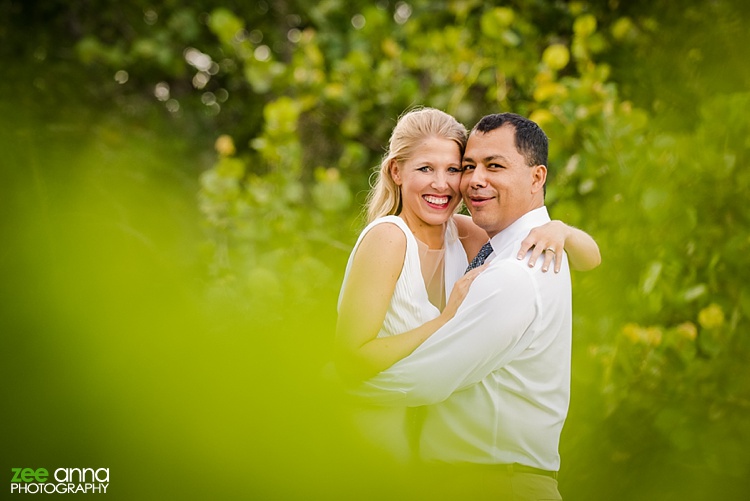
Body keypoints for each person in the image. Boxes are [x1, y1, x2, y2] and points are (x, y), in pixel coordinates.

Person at [336, 108, 600, 466]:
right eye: (426, 168)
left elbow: (591, 259)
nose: (444, 183)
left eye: (453, 169)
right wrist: (444, 319)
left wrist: (561, 230)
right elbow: (352, 356)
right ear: (396, 171)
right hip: (373, 441)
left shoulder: (464, 234)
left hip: (424, 455)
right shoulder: (388, 239)